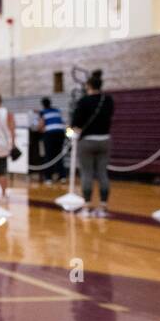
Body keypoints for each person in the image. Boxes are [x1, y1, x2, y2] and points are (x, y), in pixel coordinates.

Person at [70, 70, 114, 217]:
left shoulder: (83, 101)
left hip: (87, 141)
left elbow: (75, 124)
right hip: (105, 140)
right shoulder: (108, 100)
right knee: (103, 173)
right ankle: (103, 206)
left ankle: (87, 206)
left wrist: (70, 134)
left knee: (86, 173)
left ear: (88, 85)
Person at [36, 97, 67, 183]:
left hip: (50, 135)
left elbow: (40, 126)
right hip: (60, 134)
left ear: (43, 105)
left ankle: (48, 178)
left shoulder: (43, 113)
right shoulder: (57, 111)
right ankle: (62, 176)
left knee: (49, 156)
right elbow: (62, 123)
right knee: (59, 156)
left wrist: (40, 129)